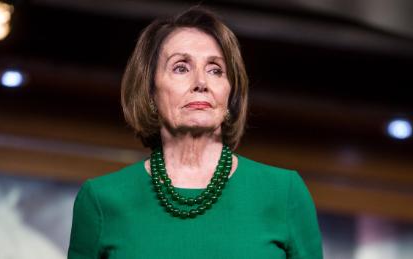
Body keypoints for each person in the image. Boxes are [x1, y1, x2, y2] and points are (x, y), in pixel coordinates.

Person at [67, 7, 323, 259]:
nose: (201, 82)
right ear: (150, 92)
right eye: (181, 67)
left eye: (215, 70)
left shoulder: (284, 192)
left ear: (230, 93)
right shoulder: (101, 200)